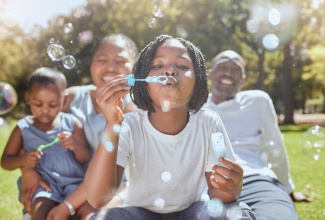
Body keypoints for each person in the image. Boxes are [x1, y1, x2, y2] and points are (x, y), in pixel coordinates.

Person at [84, 34, 256, 219]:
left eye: (182, 66)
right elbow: (97, 199)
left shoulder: (209, 123)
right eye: (158, 65)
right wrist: (112, 124)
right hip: (140, 214)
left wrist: (232, 188)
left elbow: (220, 195)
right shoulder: (128, 126)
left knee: (234, 213)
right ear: (143, 80)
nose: (170, 71)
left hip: (193, 213)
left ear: (198, 80)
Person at [19, 33, 139, 219]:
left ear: (133, 69)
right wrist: (27, 170)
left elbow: (108, 180)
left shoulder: (133, 111)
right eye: (102, 59)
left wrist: (66, 206)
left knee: (94, 214)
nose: (111, 67)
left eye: (121, 60)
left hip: (114, 188)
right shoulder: (72, 97)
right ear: (91, 64)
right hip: (71, 184)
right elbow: (31, 129)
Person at [205, 50, 311, 220]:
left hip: (254, 181)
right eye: (222, 67)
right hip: (205, 184)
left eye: (235, 69)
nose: (228, 73)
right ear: (210, 74)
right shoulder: (194, 106)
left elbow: (276, 147)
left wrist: (288, 189)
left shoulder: (258, 101)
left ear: (243, 78)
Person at [1, 67, 92, 220]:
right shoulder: (23, 128)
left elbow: (85, 158)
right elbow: (5, 161)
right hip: (45, 187)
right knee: (40, 211)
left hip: (75, 185)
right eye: (38, 104)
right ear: (28, 98)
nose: (45, 110)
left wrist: (74, 145)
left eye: (52, 105)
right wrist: (22, 161)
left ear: (63, 100)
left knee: (89, 212)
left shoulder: (72, 123)